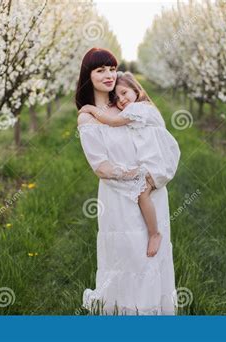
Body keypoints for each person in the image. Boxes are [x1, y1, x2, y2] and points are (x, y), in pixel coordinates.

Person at [76, 47, 180, 315]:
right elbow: (100, 166)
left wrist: (153, 174)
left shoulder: (124, 105)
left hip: (152, 192)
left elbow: (154, 136)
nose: (109, 75)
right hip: (119, 196)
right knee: (129, 257)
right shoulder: (87, 117)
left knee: (152, 259)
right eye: (100, 70)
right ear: (89, 76)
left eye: (112, 68)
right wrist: (135, 175)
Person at [78, 71, 180, 258]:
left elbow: (114, 121)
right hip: (153, 159)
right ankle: (154, 232)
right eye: (116, 98)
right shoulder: (139, 108)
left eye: (124, 93)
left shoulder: (140, 108)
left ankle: (154, 233)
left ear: (136, 90)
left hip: (154, 161)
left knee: (143, 194)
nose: (122, 100)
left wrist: (91, 110)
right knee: (144, 194)